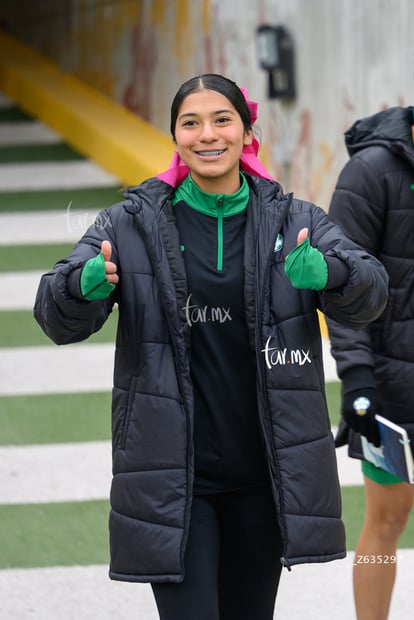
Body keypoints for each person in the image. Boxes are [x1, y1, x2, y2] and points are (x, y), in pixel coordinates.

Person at [34, 74, 388, 620]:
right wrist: (78, 288)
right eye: (190, 123)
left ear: (248, 132)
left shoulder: (295, 220)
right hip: (174, 480)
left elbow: (370, 292)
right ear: (174, 137)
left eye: (221, 120)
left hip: (265, 477)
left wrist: (333, 272)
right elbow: (55, 313)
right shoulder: (129, 224)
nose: (207, 135)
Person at [326, 105, 414, 620]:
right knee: (387, 520)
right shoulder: (371, 171)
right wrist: (358, 378)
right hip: (389, 389)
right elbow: (344, 284)